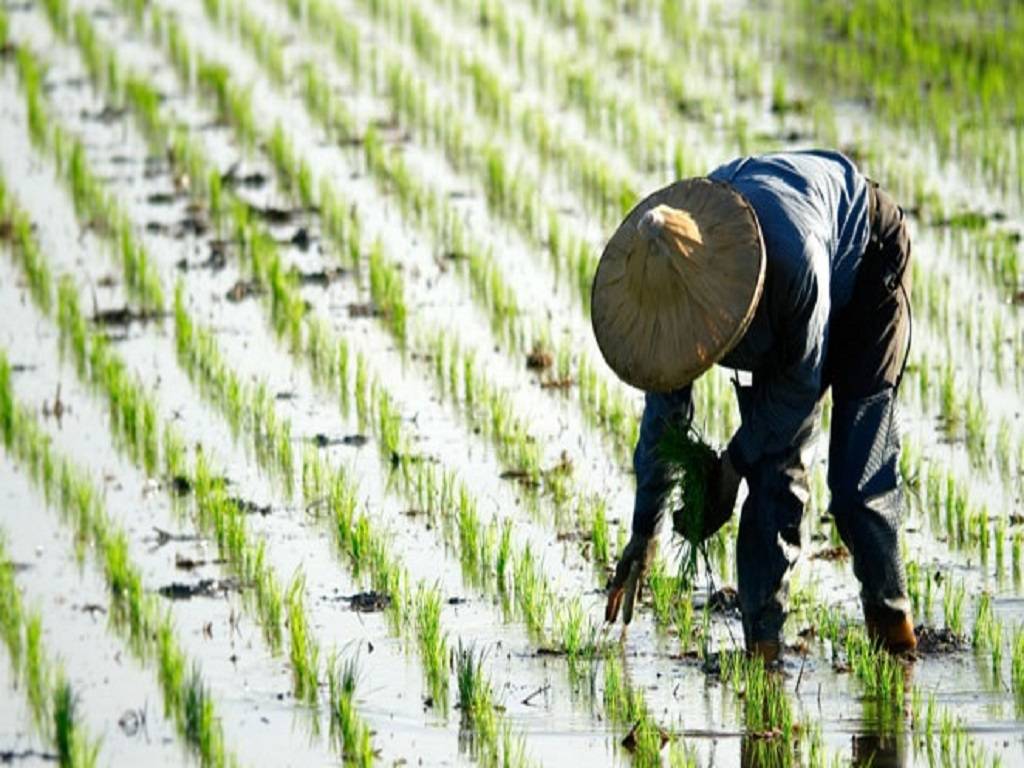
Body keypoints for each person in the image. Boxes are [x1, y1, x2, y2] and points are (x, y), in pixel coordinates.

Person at [593, 149, 916, 661]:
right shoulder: (674, 293)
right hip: (789, 276)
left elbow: (796, 394)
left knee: (856, 486)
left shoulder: (793, 264)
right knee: (771, 476)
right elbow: (664, 417)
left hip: (866, 267)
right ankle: (762, 655)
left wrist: (730, 466)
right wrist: (644, 527)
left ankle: (894, 632)